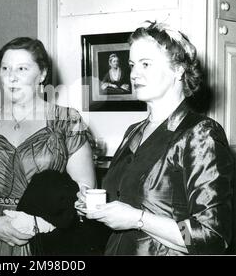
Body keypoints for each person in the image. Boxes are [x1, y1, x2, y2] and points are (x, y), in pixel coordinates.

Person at [79, 21, 235, 255]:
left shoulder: (201, 133)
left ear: (178, 70)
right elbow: (124, 204)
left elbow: (211, 236)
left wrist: (139, 219)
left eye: (146, 64)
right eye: (131, 65)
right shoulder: (134, 131)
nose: (133, 74)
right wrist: (95, 208)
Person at [0, 37, 96, 255]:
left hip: (47, 236)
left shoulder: (66, 122)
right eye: (5, 68)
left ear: (42, 74)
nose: (12, 77)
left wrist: (38, 221)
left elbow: (84, 188)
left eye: (22, 68)